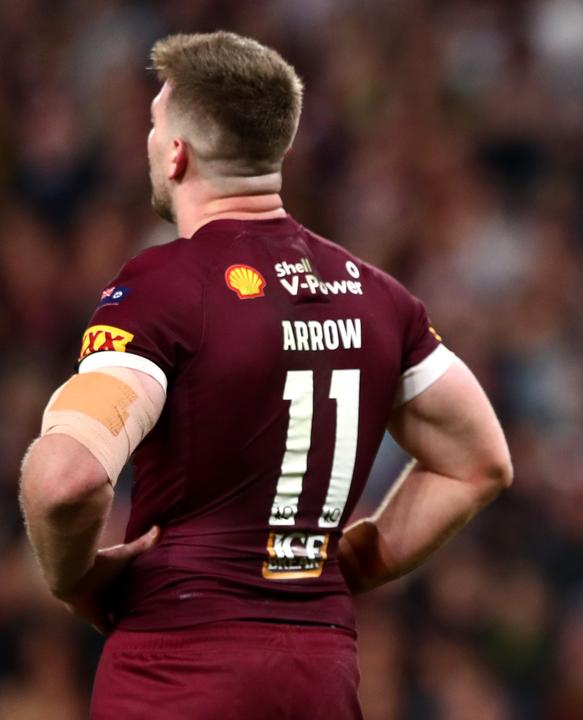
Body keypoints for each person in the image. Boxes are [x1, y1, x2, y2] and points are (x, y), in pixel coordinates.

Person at [18, 31, 512, 719]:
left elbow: (63, 481)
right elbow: (479, 463)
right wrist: (350, 565)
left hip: (178, 662)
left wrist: (75, 580)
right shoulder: (375, 294)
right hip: (319, 668)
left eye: (155, 124)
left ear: (178, 152)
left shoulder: (163, 286)